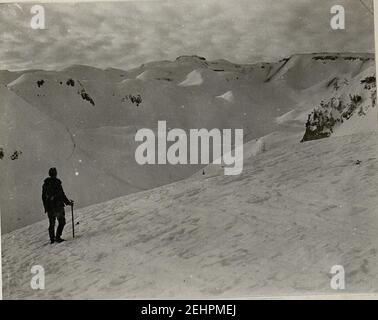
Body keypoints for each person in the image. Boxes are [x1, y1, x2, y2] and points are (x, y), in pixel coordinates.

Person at [42, 168, 74, 244]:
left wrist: (46, 207)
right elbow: (61, 194)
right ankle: (57, 237)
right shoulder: (57, 182)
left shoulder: (45, 184)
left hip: (50, 207)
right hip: (58, 206)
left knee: (52, 223)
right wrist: (68, 203)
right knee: (62, 221)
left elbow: (43, 197)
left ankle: (52, 239)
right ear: (55, 174)